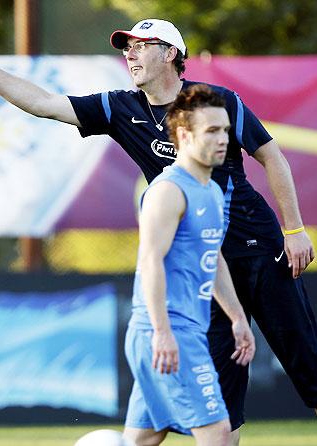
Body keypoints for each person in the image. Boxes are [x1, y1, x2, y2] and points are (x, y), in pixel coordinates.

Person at [0, 18, 317, 446]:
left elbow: (273, 158)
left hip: (259, 246)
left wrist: (295, 229)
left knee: (303, 351)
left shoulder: (215, 103)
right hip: (204, 264)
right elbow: (45, 102)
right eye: (126, 48)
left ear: (170, 53)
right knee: (220, 381)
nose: (129, 55)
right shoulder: (121, 107)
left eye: (140, 46)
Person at [125, 84, 255, 446]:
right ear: (183, 135)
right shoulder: (169, 191)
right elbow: (150, 262)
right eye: (212, 131)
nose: (223, 139)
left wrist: (237, 317)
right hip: (169, 332)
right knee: (218, 435)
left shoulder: (212, 191)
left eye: (226, 130)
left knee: (143, 438)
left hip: (179, 330)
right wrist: (163, 332)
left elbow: (212, 260)